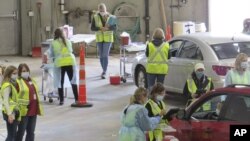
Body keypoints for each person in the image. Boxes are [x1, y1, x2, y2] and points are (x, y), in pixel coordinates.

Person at [49, 28, 78, 105]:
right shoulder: (68, 41)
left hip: (60, 64)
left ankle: (61, 100)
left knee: (60, 82)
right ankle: (77, 99)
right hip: (70, 62)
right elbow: (71, 51)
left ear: (54, 35)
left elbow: (51, 54)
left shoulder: (53, 43)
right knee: (73, 81)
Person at [16, 63, 44, 141]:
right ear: (20, 72)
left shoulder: (32, 80)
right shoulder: (18, 82)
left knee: (31, 132)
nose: (25, 72)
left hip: (34, 110)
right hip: (24, 112)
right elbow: (15, 97)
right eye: (23, 71)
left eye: (26, 70)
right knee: (21, 132)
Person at [91, 3, 117, 79]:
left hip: (108, 39)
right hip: (99, 39)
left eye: (103, 10)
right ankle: (103, 69)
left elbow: (115, 27)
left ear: (105, 9)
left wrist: (108, 28)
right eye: (100, 10)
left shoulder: (111, 17)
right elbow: (92, 28)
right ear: (98, 10)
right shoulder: (95, 17)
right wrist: (100, 28)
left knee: (105, 55)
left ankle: (104, 71)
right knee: (101, 55)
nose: (102, 11)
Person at [1, 65, 20, 141]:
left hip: (13, 112)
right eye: (14, 73)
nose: (16, 75)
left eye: (17, 73)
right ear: (9, 74)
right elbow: (5, 101)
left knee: (12, 135)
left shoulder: (12, 83)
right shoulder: (7, 85)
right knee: (11, 136)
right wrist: (10, 115)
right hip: (10, 113)